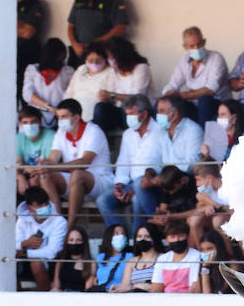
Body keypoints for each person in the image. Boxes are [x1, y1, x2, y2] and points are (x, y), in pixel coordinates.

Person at [35, 99, 111, 227]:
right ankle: (57, 223)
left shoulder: (93, 131)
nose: (60, 121)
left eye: (64, 116)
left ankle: (69, 227)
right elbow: (53, 158)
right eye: (59, 117)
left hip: (100, 182)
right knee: (46, 174)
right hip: (74, 182)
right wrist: (44, 164)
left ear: (76, 117)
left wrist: (55, 166)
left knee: (77, 173)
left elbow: (85, 162)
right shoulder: (61, 133)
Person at [98, 94, 166, 229]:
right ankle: (119, 234)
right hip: (130, 184)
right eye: (127, 114)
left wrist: (136, 188)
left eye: (132, 114)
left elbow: (164, 164)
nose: (129, 118)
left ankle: (144, 234)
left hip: (152, 184)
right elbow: (123, 163)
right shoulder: (128, 134)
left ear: (144, 113)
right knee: (103, 200)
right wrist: (118, 185)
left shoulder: (161, 131)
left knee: (137, 197)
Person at [163, 27, 230, 125]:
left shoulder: (216, 58)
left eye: (199, 44)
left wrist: (180, 95)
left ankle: (203, 135)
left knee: (205, 100)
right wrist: (169, 93)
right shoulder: (184, 61)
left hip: (217, 105)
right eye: (192, 46)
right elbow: (172, 85)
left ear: (204, 42)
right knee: (166, 103)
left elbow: (210, 90)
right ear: (185, 47)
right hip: (194, 105)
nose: (196, 48)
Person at [14, 185, 67, 291]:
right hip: (25, 262)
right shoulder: (22, 220)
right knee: (9, 261)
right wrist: (25, 243)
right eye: (39, 205)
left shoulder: (59, 221)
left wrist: (25, 252)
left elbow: (52, 251)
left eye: (46, 203)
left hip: (50, 263)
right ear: (29, 208)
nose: (44, 207)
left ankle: (44, 298)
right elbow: (14, 244)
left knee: (36, 263)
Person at [22, 38, 72, 127]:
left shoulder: (68, 71)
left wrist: (61, 111)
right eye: (58, 56)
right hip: (35, 117)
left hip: (59, 117)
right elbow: (27, 94)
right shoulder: (32, 69)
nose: (61, 59)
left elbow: (71, 94)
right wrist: (48, 106)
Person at [64, 43, 116, 128]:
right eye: (91, 60)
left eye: (98, 60)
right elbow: (69, 92)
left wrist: (108, 97)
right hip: (74, 115)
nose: (94, 62)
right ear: (86, 59)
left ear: (105, 59)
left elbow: (114, 97)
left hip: (96, 116)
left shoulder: (111, 72)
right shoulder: (81, 69)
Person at [185, 163, 231, 248]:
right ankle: (202, 252)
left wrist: (213, 204)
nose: (197, 184)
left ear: (209, 178)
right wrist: (206, 207)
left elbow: (233, 210)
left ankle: (229, 255)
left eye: (199, 180)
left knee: (217, 221)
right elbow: (190, 219)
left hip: (228, 221)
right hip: (209, 221)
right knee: (194, 220)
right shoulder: (204, 192)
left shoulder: (228, 187)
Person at [120, 222, 163, 292]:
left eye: (147, 236)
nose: (143, 239)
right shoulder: (132, 261)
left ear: (154, 238)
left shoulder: (163, 258)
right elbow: (124, 286)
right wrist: (138, 286)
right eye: (139, 236)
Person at [51, 225, 92, 292]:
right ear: (66, 242)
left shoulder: (90, 263)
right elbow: (56, 286)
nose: (74, 243)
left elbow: (89, 289)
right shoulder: (60, 262)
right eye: (71, 240)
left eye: (78, 240)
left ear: (84, 242)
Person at [95, 223, 130, 290]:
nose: (121, 236)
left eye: (123, 234)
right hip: (101, 293)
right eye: (116, 233)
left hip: (119, 293)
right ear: (109, 237)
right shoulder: (101, 257)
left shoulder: (130, 257)